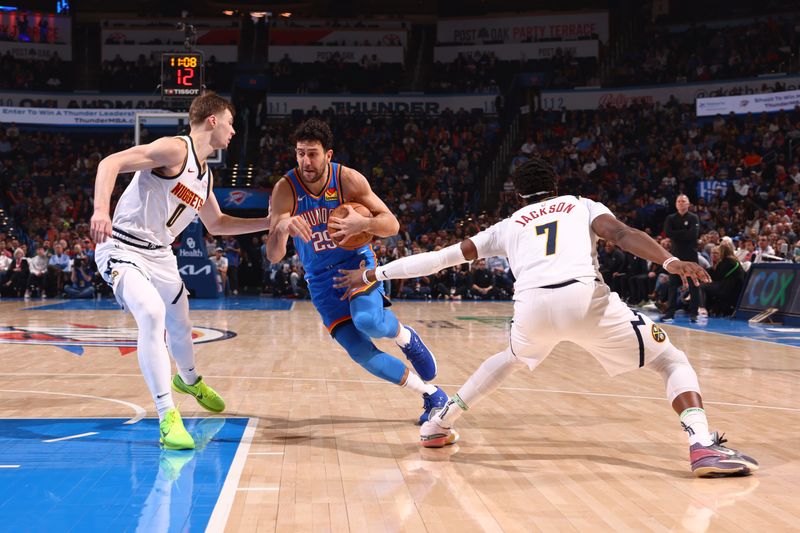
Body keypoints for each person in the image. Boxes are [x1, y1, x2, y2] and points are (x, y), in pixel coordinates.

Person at [335, 157, 758, 477]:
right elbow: (623, 235)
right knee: (672, 360)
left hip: (532, 309)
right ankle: (702, 444)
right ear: (556, 186)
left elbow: (438, 260)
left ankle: (439, 425)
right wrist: (668, 262)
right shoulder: (580, 205)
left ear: (518, 195)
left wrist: (375, 271)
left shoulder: (507, 224)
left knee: (512, 357)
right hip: (583, 298)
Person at [90, 91, 272, 450]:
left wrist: (267, 223)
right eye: (231, 123)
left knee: (182, 326)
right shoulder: (176, 150)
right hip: (123, 246)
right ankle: (166, 415)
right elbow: (109, 163)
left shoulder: (204, 177)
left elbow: (217, 224)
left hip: (161, 256)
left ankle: (189, 380)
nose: (234, 131)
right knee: (152, 315)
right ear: (213, 120)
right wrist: (100, 211)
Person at [266, 118, 446, 424]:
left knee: (367, 321)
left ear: (328, 154)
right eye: (300, 153)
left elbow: (392, 224)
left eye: (312, 153)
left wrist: (365, 224)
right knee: (359, 351)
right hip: (321, 281)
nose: (305, 161)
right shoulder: (285, 190)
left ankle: (405, 336)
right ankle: (431, 394)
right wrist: (282, 227)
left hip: (356, 264)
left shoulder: (347, 180)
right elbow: (274, 255)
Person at [661, 195, 700, 323]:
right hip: (675, 258)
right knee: (672, 285)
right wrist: (684, 232)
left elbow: (692, 235)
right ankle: (670, 312)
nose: (681, 203)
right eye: (678, 201)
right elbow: (668, 233)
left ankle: (694, 313)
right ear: (675, 204)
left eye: (683, 201)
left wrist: (677, 233)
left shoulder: (693, 217)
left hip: (690, 257)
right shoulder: (670, 218)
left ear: (688, 204)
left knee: (694, 285)